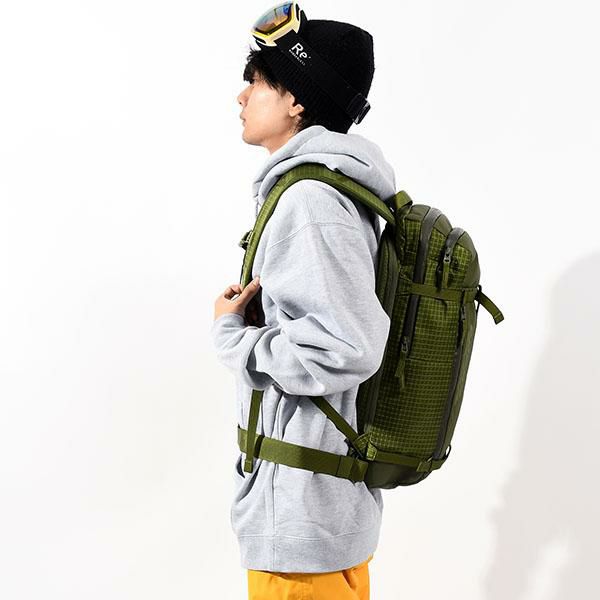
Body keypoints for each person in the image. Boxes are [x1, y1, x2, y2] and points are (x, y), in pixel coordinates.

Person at [211, 6, 396, 599]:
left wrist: (234, 338)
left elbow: (346, 346)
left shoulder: (310, 200)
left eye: (259, 80)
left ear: (296, 100)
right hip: (320, 508)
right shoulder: (329, 191)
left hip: (300, 524)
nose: (242, 95)